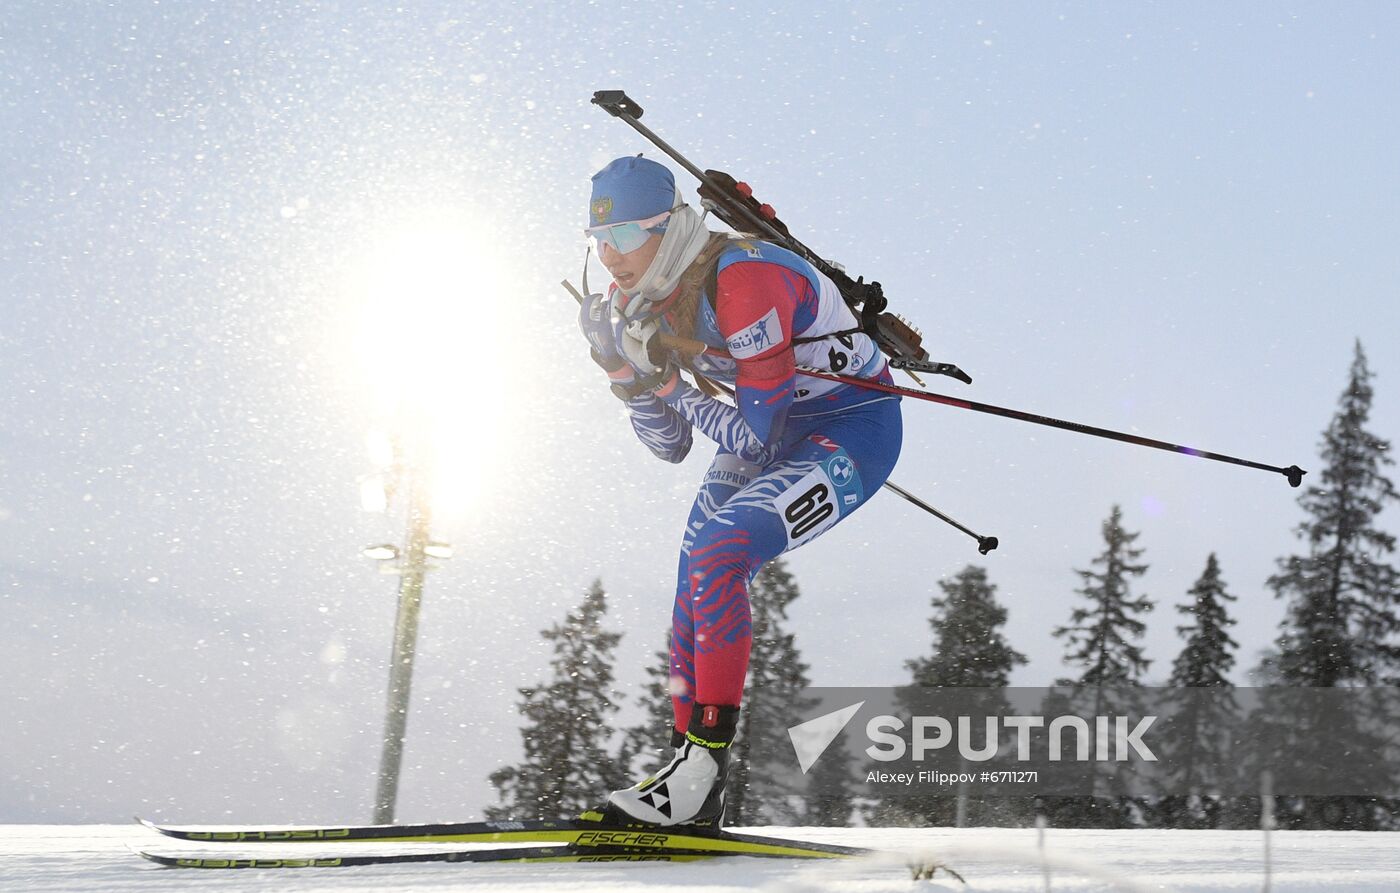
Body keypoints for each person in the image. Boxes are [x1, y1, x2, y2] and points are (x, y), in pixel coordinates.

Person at [578, 155, 903, 826]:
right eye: (598, 240)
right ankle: (686, 775)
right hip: (770, 423)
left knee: (721, 550)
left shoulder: (745, 277)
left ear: (668, 230)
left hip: (850, 429)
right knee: (692, 570)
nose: (611, 256)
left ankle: (702, 770)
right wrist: (622, 369)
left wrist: (665, 383)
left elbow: (755, 439)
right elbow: (669, 445)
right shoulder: (634, 296)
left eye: (627, 234)